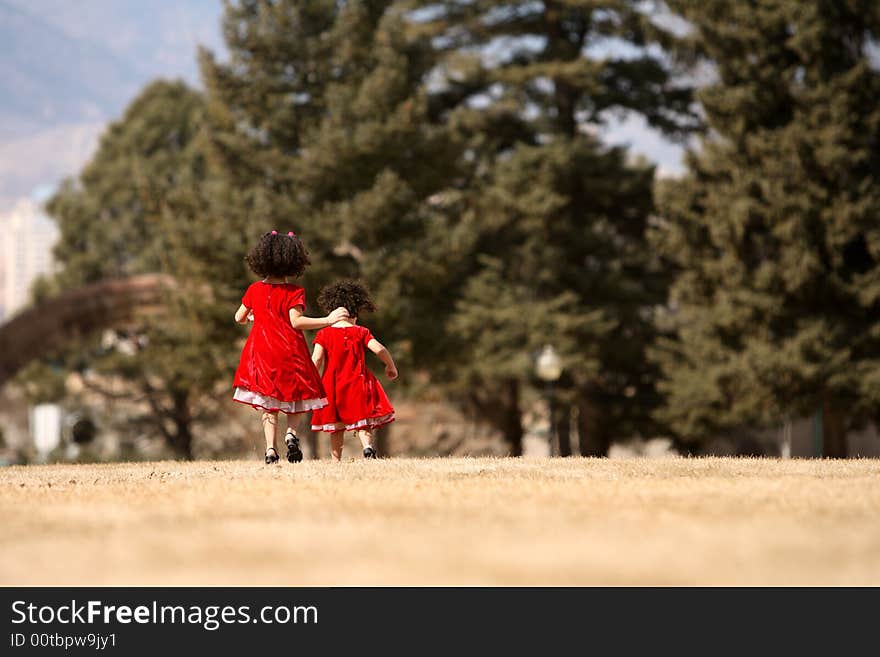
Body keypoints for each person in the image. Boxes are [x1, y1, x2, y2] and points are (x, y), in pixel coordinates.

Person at [233, 230, 349, 464]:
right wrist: (328, 320)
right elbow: (296, 322)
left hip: (262, 351)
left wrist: (257, 318)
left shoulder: (254, 290)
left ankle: (270, 450)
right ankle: (291, 434)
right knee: (297, 395)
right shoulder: (294, 292)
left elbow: (239, 318)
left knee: (269, 401)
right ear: (293, 261)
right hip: (289, 349)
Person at [310, 280, 398, 460]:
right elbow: (379, 349)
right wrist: (390, 366)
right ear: (354, 312)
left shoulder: (323, 334)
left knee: (336, 426)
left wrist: (310, 378)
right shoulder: (361, 332)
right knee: (362, 419)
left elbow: (316, 358)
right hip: (358, 381)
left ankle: (336, 460)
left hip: (332, 384)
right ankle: (367, 448)